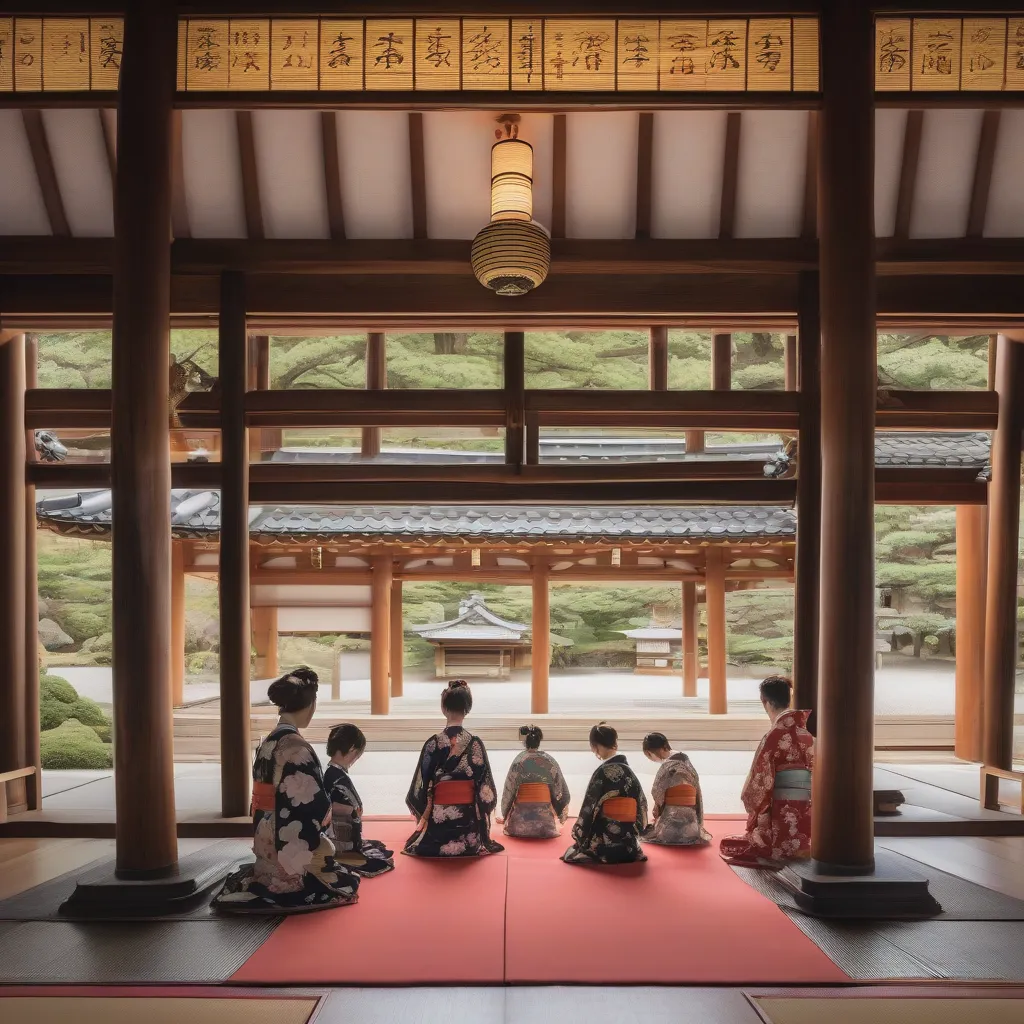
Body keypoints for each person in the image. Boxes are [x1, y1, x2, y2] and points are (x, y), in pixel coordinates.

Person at [213, 668, 360, 913]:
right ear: (311, 705)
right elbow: (313, 803)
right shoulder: (295, 746)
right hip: (285, 835)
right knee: (334, 863)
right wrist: (324, 824)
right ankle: (291, 877)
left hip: (263, 831)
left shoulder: (269, 740)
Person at [720, 675, 814, 866]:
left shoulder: (774, 735)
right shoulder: (806, 734)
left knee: (756, 830)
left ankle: (775, 846)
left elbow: (760, 778)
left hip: (780, 807)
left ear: (764, 701)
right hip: (805, 806)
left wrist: (751, 800)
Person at [404, 679, 504, 857]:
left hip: (437, 828)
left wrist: (427, 808)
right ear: (467, 709)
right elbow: (486, 790)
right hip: (468, 832)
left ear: (443, 707)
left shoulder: (433, 744)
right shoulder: (475, 744)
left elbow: (418, 789)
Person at [562, 722, 648, 866]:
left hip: (604, 844)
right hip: (628, 844)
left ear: (595, 746)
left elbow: (588, 810)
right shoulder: (629, 773)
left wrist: (580, 836)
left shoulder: (601, 773)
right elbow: (641, 805)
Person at [323, 723, 395, 877]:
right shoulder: (337, 777)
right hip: (340, 841)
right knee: (380, 860)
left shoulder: (331, 773)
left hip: (333, 837)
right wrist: (352, 811)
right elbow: (334, 807)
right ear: (352, 750)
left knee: (379, 847)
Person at [497, 725, 571, 839]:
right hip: (545, 823)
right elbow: (560, 788)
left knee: (514, 807)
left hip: (519, 823)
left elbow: (509, 791)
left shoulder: (518, 761)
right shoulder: (549, 760)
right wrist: (559, 810)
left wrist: (505, 814)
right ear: (539, 741)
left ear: (525, 742)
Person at [639, 732, 711, 847]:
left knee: (647, 830)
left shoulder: (667, 766)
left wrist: (657, 808)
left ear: (649, 752)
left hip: (669, 830)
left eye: (649, 755)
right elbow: (697, 788)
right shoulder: (686, 761)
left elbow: (657, 792)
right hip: (691, 827)